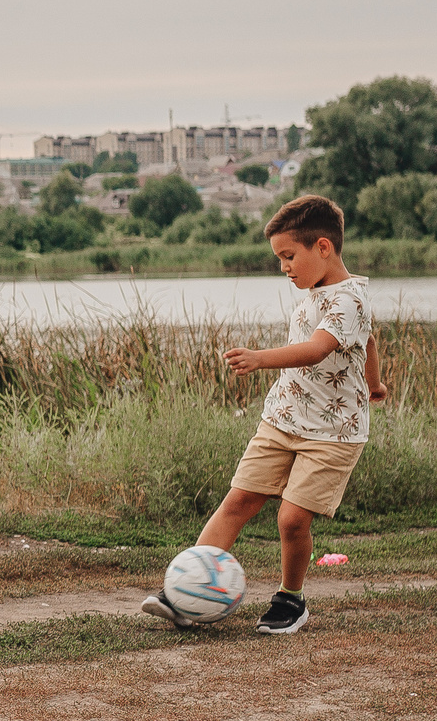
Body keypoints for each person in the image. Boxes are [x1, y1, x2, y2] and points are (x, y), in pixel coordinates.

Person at [144, 193, 385, 637]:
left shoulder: (349, 300)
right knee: (239, 500)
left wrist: (260, 358)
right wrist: (374, 382)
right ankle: (187, 592)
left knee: (292, 519)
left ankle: (290, 599)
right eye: (280, 258)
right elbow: (369, 341)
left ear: (323, 248)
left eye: (289, 256)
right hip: (282, 420)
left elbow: (317, 349)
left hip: (332, 433)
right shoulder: (314, 294)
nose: (284, 267)